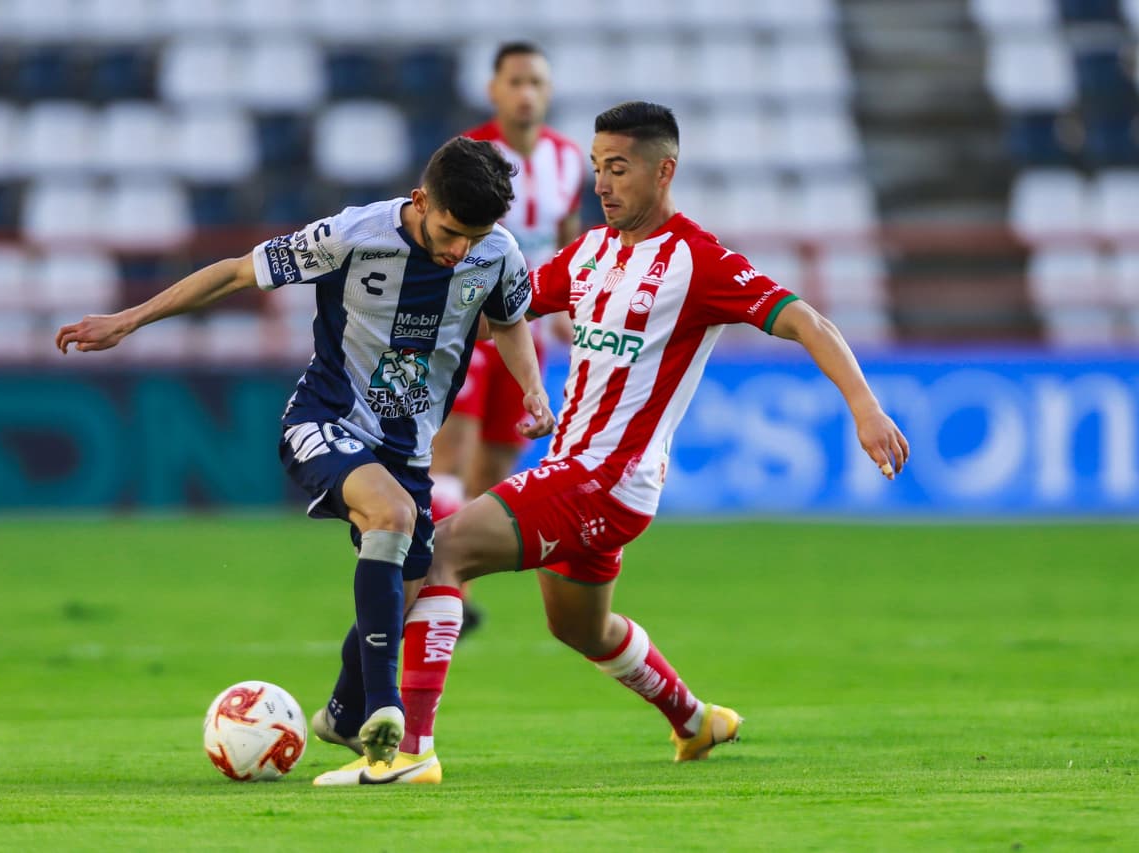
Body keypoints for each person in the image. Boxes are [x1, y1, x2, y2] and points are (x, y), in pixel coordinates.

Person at [312, 102, 910, 785]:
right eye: (597, 167)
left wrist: (864, 406)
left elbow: (805, 319)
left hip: (608, 477)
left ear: (665, 172)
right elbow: (494, 314)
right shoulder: (590, 253)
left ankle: (410, 753)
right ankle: (695, 721)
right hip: (576, 473)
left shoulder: (697, 261)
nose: (602, 183)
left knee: (440, 551)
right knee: (580, 628)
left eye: (619, 168)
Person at [54, 136, 555, 766]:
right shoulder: (353, 234)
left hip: (411, 448)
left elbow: (509, 321)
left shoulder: (497, 254)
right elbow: (237, 272)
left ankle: (343, 715)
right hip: (325, 420)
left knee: (412, 586)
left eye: (474, 238)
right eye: (452, 231)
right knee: (392, 517)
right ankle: (383, 707)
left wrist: (533, 389)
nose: (460, 251)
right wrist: (128, 319)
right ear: (421, 200)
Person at [430, 42, 584, 636]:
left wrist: (569, 312)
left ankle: (451, 578)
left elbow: (569, 241)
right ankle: (440, 587)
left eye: (537, 82)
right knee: (449, 456)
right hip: (466, 328)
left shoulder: (568, 159)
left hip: (529, 332)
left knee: (493, 466)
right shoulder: (468, 158)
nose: (527, 93)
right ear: (494, 90)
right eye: (516, 81)